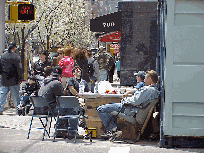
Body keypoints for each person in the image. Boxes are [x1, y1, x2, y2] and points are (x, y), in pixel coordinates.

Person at [96, 70, 160, 138]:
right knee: (110, 109)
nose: (144, 80)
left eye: (145, 78)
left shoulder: (148, 90)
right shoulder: (154, 91)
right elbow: (138, 96)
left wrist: (125, 100)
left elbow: (135, 101)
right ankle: (113, 129)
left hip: (128, 109)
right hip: (132, 109)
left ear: (149, 79)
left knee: (100, 109)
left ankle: (113, 130)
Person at [0, 42, 23, 115]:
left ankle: (0, 109)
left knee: (2, 95)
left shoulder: (2, 56)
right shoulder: (16, 57)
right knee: (15, 96)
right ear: (14, 48)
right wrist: (20, 79)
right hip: (14, 79)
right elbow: (19, 69)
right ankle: (18, 110)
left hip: (4, 79)